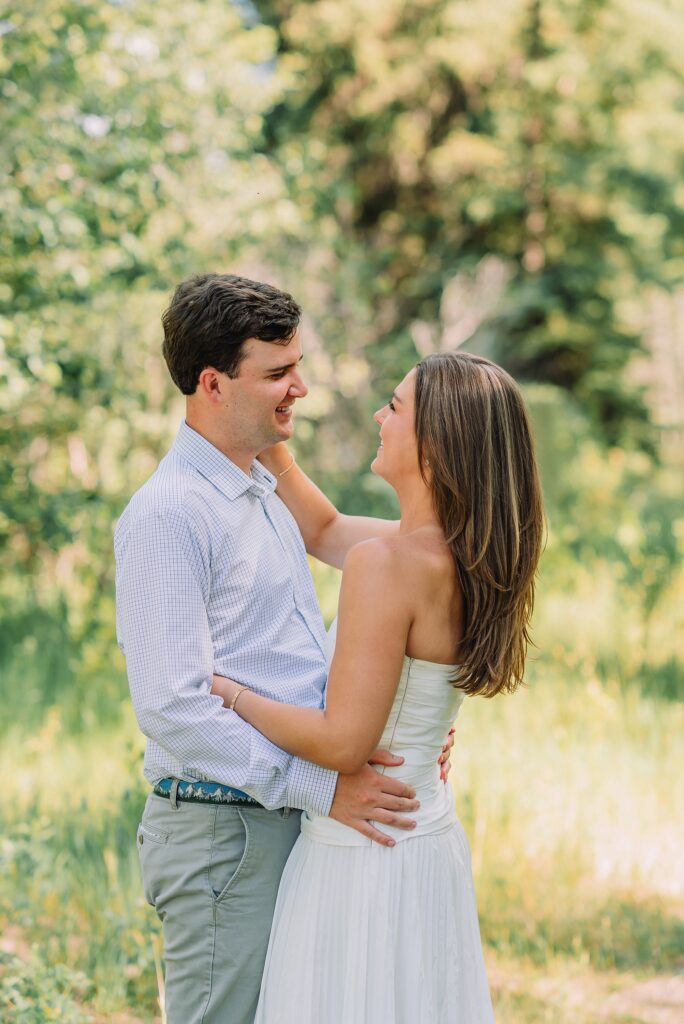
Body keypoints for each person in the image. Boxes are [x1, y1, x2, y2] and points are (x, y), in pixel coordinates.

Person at [114, 272, 454, 1024]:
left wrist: (402, 721)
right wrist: (320, 787)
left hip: (280, 823)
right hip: (221, 834)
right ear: (213, 383)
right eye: (278, 372)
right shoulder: (171, 516)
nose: (300, 386)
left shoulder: (259, 489)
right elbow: (171, 704)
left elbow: (379, 564)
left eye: (297, 365)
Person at [211, 351, 545, 1023]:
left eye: (394, 407)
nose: (378, 416)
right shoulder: (461, 554)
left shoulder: (388, 564)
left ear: (436, 445)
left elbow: (342, 744)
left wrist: (227, 691)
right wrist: (271, 443)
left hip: (362, 857)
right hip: (425, 838)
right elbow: (324, 529)